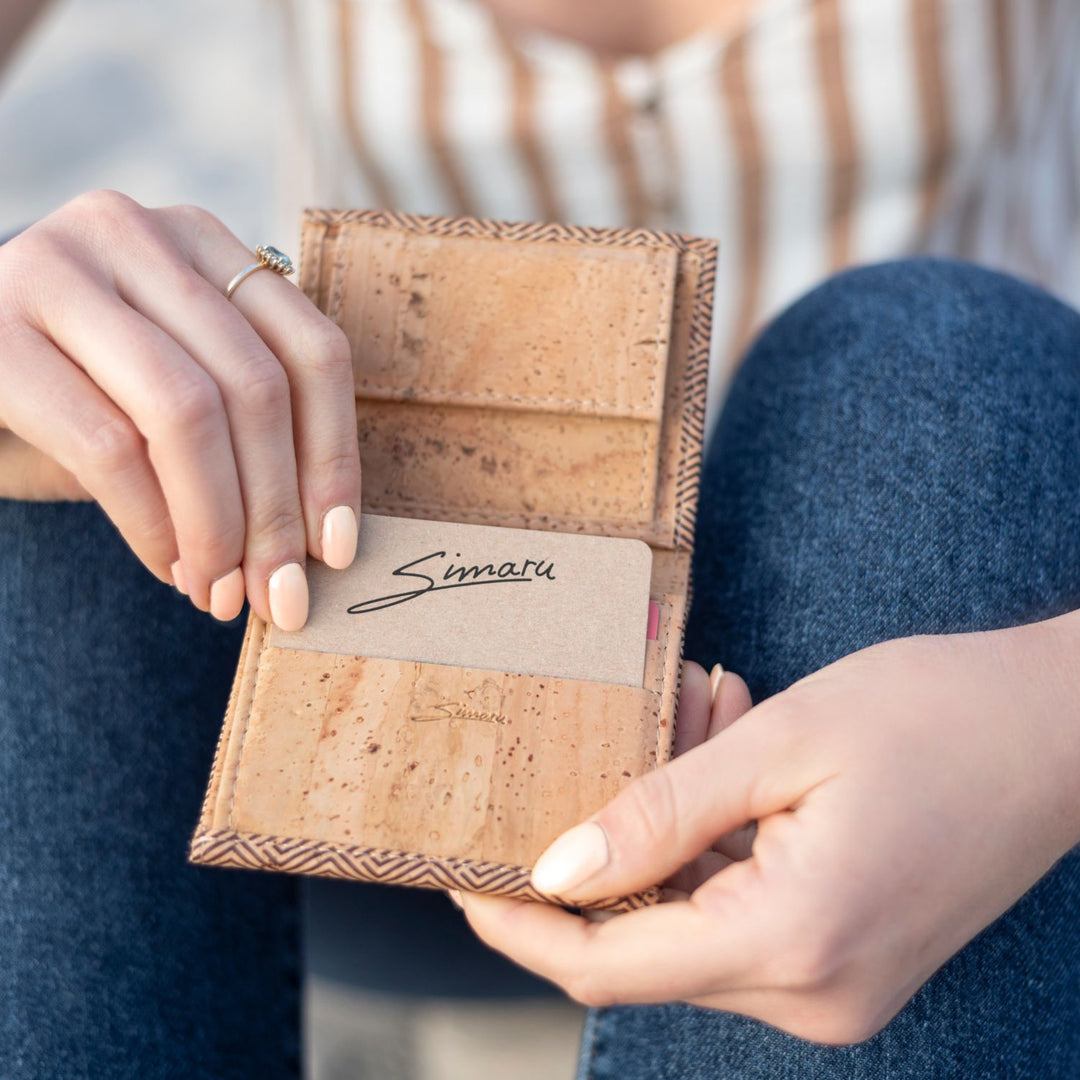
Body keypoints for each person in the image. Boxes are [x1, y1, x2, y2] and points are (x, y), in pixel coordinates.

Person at [1, 1, 1078, 1077]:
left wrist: (1048, 715)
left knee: (941, 352)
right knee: (81, 349)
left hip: (935, 735)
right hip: (370, 730)